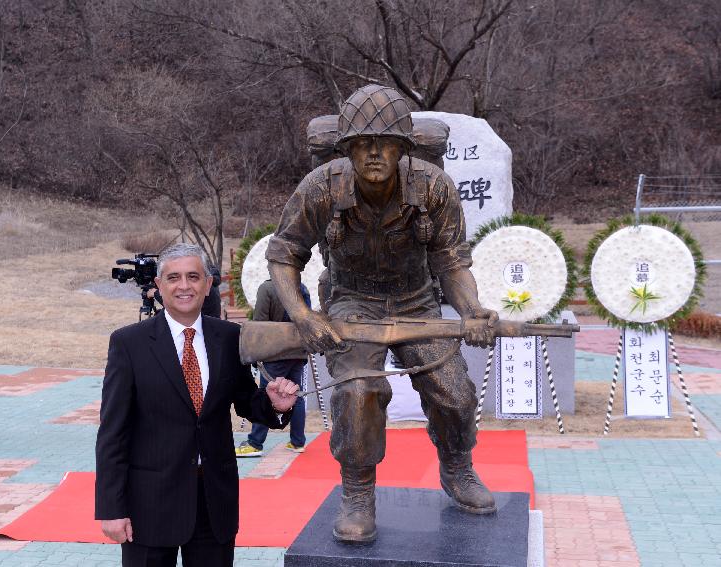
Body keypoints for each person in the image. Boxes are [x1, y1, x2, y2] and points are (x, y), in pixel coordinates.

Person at [266, 84, 499, 544]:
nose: (374, 154)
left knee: (453, 392)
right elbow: (284, 254)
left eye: (385, 144)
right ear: (347, 149)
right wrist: (304, 316)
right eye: (362, 145)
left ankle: (458, 467)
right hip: (351, 302)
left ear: (403, 149)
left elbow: (452, 262)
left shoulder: (433, 186)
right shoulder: (321, 187)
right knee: (357, 393)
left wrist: (472, 311)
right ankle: (357, 491)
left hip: (417, 301)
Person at [95, 243, 299, 566]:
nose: (184, 286)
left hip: (213, 503)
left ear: (207, 285)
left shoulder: (230, 338)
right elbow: (112, 434)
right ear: (159, 286)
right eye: (173, 277)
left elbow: (247, 402)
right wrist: (111, 509)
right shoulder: (128, 344)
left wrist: (275, 404)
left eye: (193, 276)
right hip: (150, 505)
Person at [235, 279, 311, 457]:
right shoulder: (302, 287)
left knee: (266, 395)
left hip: (275, 352)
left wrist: (256, 353)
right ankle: (297, 441)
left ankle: (255, 443)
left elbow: (260, 324)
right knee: (296, 395)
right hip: (298, 350)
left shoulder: (267, 288)